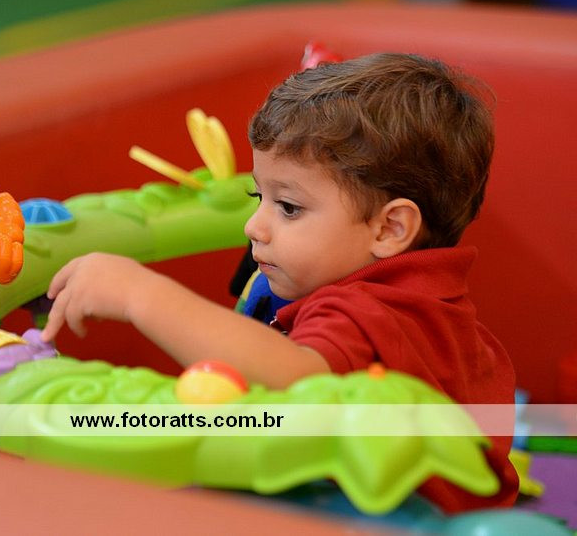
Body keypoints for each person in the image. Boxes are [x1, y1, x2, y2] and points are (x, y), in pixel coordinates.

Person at [40, 53, 518, 512]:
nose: (254, 226)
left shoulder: (367, 312)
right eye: (258, 197)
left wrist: (140, 295)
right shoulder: (437, 301)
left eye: (288, 207)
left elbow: (294, 381)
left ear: (389, 229)